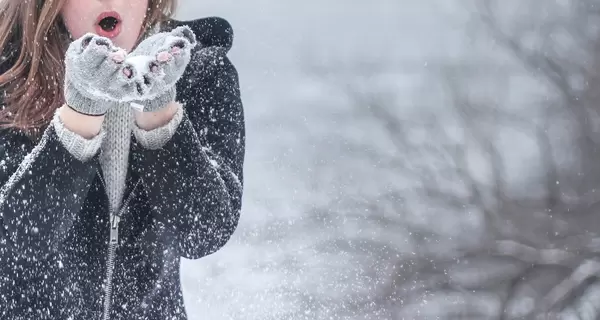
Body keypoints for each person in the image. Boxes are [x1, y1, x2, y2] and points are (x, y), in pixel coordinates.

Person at [0, 0, 245, 319]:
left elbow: (203, 232)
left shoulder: (199, 71)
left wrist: (158, 110)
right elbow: (14, 243)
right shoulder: (10, 74)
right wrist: (81, 112)